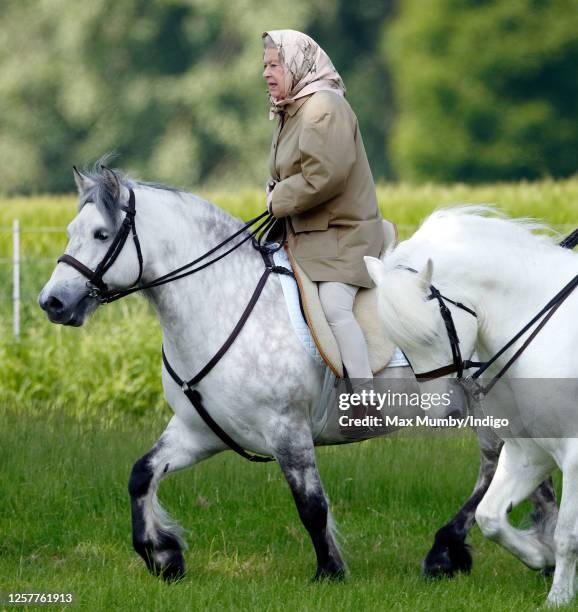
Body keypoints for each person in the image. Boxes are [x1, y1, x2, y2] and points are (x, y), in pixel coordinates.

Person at [262, 29, 385, 382]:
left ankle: (365, 399)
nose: (267, 73)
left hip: (343, 236)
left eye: (275, 65)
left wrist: (276, 200)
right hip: (308, 235)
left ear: (299, 64)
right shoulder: (293, 110)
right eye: (265, 66)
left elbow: (324, 177)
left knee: (334, 307)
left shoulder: (322, 108)